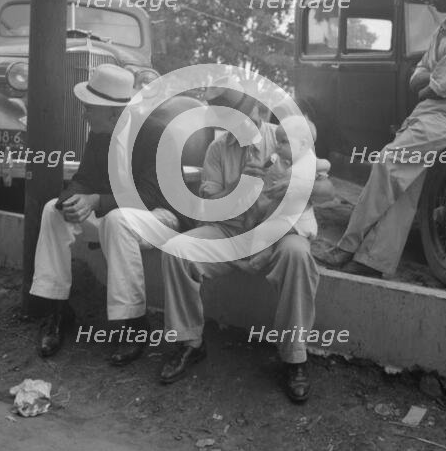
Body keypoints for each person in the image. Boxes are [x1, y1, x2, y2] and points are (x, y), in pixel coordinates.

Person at [318, 0, 446, 276]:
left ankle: (346, 245)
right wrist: (435, 83)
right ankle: (373, 262)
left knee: (389, 163)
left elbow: (441, 83)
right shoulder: (445, 29)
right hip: (433, 111)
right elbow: (419, 78)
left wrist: (436, 83)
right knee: (407, 181)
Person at [158, 85, 320, 403]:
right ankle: (189, 342)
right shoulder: (218, 149)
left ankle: (294, 356)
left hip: (278, 233)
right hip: (230, 232)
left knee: (298, 254)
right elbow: (207, 204)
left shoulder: (289, 137)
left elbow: (326, 191)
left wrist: (291, 187)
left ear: (258, 111)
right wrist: (236, 189)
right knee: (178, 249)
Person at [29, 63, 180, 364]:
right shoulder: (100, 133)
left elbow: (149, 197)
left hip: (161, 219)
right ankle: (58, 312)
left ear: (114, 113)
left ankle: (134, 323)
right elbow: (84, 178)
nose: (84, 113)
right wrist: (69, 200)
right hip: (115, 217)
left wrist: (96, 200)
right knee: (52, 211)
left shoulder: (158, 135)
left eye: (90, 108)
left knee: (117, 219)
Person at [239, 115, 329, 272]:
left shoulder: (307, 162)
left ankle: (256, 262)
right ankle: (257, 255)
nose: (278, 146)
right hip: (281, 216)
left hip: (296, 221)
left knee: (265, 232)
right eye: (277, 141)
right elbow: (266, 167)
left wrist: (318, 168)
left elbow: (325, 169)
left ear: (302, 145)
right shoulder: (280, 158)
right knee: (262, 231)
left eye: (284, 142)